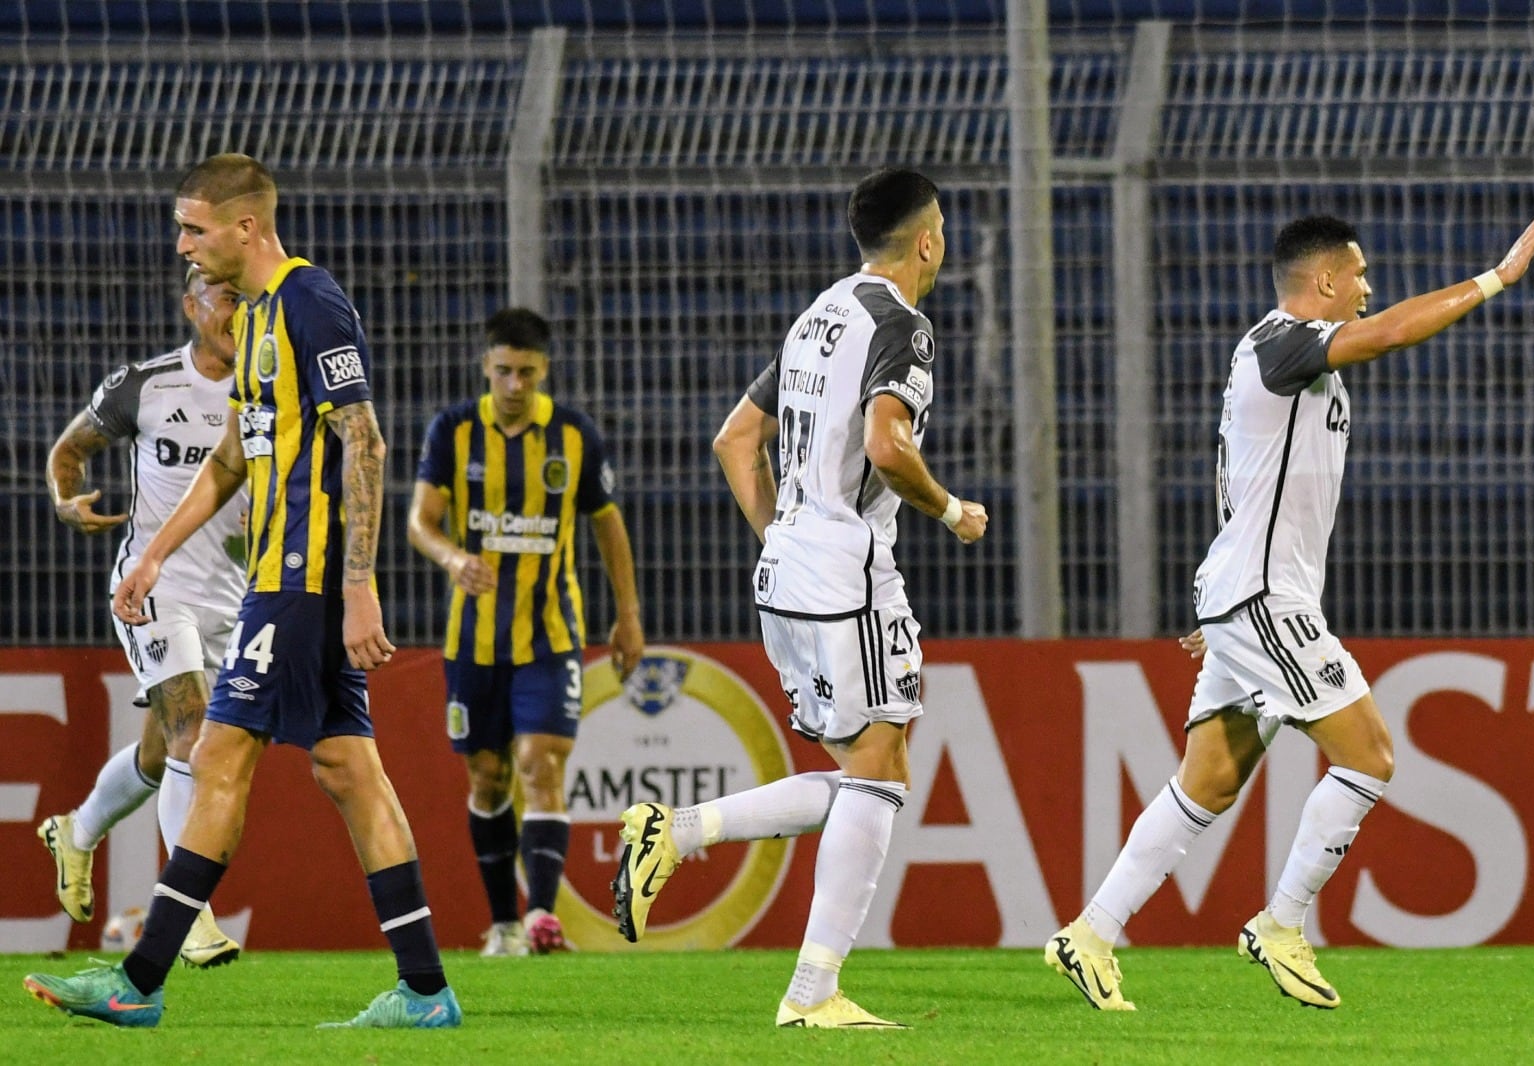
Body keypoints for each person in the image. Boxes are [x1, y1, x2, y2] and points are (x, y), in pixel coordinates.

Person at [1047, 204, 1534, 1011]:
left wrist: (1222, 601)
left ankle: (1089, 933)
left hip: (1244, 595)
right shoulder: (1283, 344)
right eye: (1357, 273)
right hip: (1265, 599)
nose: (1367, 286)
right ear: (1323, 280)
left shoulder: (1282, 362)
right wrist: (1497, 278)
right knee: (1369, 755)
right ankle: (1280, 925)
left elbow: (1247, 485)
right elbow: (1389, 333)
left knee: (1208, 784)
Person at [23, 152, 461, 1030]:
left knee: (216, 758)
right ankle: (424, 991)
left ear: (246, 226)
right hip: (279, 577)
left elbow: (364, 442)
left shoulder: (309, 299)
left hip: (300, 580)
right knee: (348, 770)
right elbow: (232, 460)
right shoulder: (255, 321)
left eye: (194, 227)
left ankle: (137, 983)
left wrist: (361, 587)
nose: (182, 245)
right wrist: (152, 557)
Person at [610, 167, 987, 1029]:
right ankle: (810, 990)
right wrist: (954, 510)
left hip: (787, 572)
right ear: (928, 238)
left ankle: (679, 834)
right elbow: (890, 449)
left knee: (870, 771)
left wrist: (782, 535)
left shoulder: (821, 317)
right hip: (847, 575)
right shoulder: (903, 326)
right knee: (882, 775)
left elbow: (736, 440)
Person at [406, 307, 645, 958]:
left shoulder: (573, 435)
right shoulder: (452, 431)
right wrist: (453, 557)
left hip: (550, 634)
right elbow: (420, 521)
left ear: (545, 372)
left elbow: (608, 524)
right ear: (487, 367)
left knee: (541, 765)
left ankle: (541, 915)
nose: (515, 384)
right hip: (473, 640)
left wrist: (628, 615)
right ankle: (503, 924)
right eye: (504, 371)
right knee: (487, 778)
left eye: (528, 373)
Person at [38, 266, 246, 969]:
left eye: (244, 297)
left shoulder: (272, 392)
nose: (236, 309)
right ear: (192, 306)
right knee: (194, 734)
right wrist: (67, 499)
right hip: (150, 586)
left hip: (233, 597)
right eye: (223, 297)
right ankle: (188, 911)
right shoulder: (145, 386)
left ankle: (77, 828)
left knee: (163, 756)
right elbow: (69, 452)